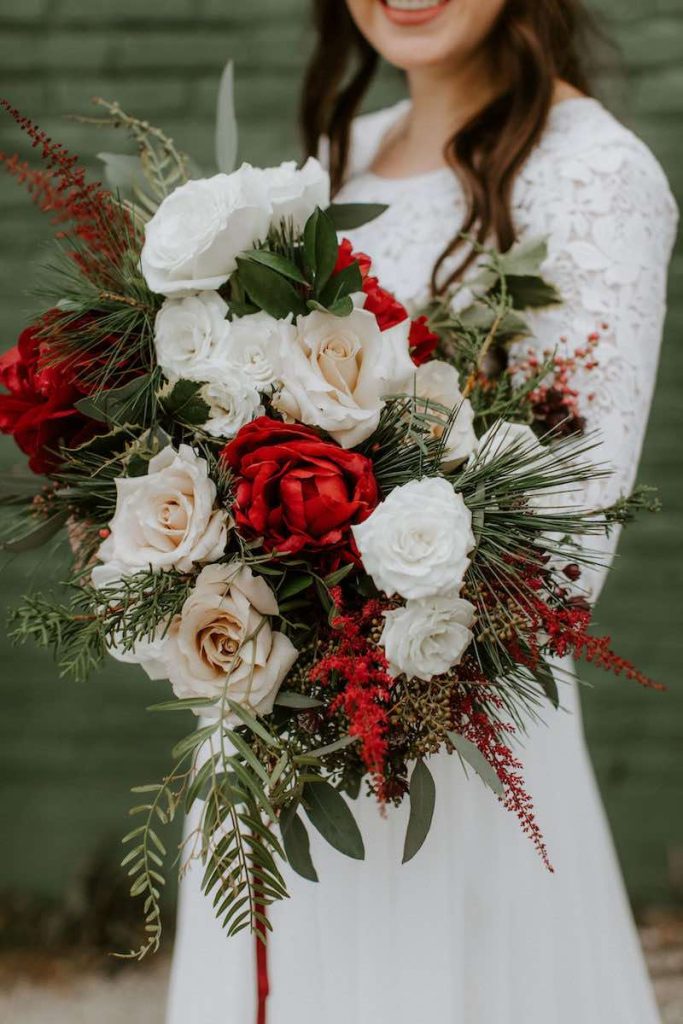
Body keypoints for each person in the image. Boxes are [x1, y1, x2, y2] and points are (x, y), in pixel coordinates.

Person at [166, 2, 678, 1020]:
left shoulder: (593, 177)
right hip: (267, 736)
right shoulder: (337, 157)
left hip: (445, 754)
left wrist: (317, 577)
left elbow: (560, 554)